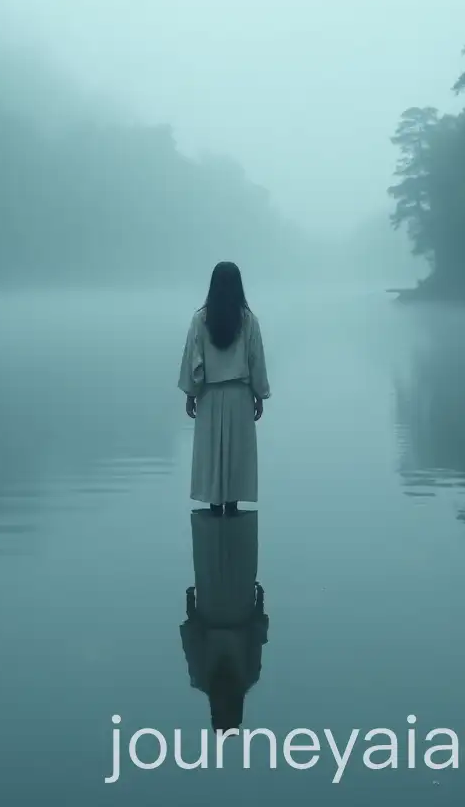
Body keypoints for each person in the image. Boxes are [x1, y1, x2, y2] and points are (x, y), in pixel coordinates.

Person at [178, 262, 270, 514]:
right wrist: (260, 395)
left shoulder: (200, 319)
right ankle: (233, 516)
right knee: (236, 463)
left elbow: (193, 360)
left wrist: (190, 395)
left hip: (208, 396)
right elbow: (256, 361)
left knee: (211, 463)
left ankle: (214, 515)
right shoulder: (249, 320)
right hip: (240, 398)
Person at [180, 508, 268, 733]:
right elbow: (192, 639)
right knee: (215, 547)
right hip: (224, 606)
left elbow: (193, 640)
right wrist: (190, 604)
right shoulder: (210, 679)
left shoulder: (243, 678)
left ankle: (221, 505)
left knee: (227, 546)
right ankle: (223, 505)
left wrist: (260, 605)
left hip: (226, 606)